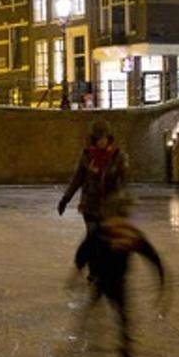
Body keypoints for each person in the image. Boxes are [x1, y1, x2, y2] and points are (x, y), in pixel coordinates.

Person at [74, 212, 166, 357]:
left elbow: (152, 256)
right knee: (116, 315)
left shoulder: (121, 233)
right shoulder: (108, 233)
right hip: (105, 280)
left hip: (111, 281)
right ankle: (123, 351)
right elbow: (84, 251)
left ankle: (124, 351)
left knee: (118, 316)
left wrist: (162, 283)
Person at [57, 119, 129, 285]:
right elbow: (77, 179)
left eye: (104, 137)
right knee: (92, 237)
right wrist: (65, 199)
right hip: (90, 204)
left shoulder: (118, 157)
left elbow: (122, 183)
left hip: (109, 206)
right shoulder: (87, 156)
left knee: (107, 239)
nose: (101, 141)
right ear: (94, 140)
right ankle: (94, 271)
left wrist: (122, 203)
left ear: (109, 138)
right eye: (98, 138)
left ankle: (107, 270)